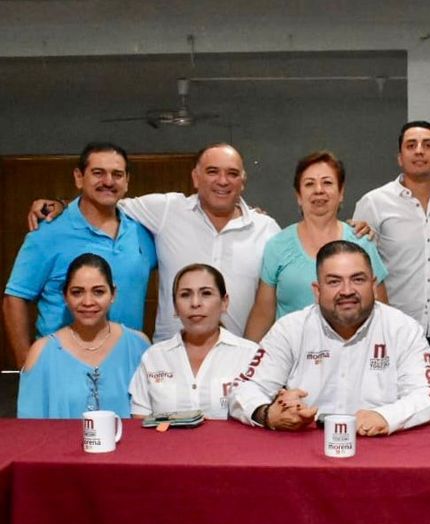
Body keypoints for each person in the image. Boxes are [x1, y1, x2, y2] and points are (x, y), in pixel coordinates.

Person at [29, 143, 281, 341]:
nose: (222, 181)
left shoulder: (266, 229)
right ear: (195, 177)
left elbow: (272, 302)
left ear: (243, 181)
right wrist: (60, 204)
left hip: (238, 361)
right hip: (169, 362)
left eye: (232, 174)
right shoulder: (167, 210)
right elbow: (105, 198)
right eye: (212, 171)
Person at [229, 240, 430, 436]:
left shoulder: (403, 329)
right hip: (306, 448)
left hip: (382, 446)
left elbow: (429, 395)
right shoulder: (290, 329)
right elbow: (244, 388)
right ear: (317, 290)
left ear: (374, 286)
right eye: (334, 282)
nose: (347, 290)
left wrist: (386, 416)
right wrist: (267, 414)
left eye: (358, 279)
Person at [4, 142, 155, 368]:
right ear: (78, 177)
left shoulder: (141, 232)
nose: (108, 181)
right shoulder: (47, 233)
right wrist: (28, 368)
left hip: (128, 368)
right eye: (98, 173)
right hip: (61, 367)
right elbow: (14, 299)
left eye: (117, 174)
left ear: (127, 181)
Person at [244, 151, 388, 341]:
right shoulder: (277, 245)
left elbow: (382, 310)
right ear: (298, 195)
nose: (318, 190)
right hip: (293, 359)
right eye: (309, 184)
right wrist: (247, 363)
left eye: (327, 182)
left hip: (354, 355)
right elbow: (263, 314)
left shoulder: (361, 240)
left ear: (341, 192)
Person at [353, 121, 430, 371]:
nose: (419, 151)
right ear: (400, 158)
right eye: (411, 145)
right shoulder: (374, 203)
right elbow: (360, 267)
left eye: (428, 145)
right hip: (392, 332)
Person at [17, 253, 149, 418]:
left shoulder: (138, 346)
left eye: (98, 292)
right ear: (65, 296)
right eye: (77, 292)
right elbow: (28, 429)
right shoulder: (42, 353)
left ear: (113, 294)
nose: (88, 302)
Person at [129, 264, 261, 420]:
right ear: (175, 307)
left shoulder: (250, 355)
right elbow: (139, 423)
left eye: (206, 293)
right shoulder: (154, 357)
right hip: (167, 445)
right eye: (185, 295)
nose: (195, 303)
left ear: (224, 302)